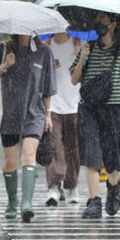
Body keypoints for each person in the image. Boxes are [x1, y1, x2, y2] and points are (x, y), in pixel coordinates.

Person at [0, 35, 56, 223]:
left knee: (28, 154)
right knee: (10, 162)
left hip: (35, 114)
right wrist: (4, 66)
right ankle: (12, 201)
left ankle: (27, 204)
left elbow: (48, 88)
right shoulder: (2, 49)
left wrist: (48, 114)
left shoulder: (44, 52)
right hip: (9, 115)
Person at [70, 12, 120, 219]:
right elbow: (74, 80)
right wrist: (82, 58)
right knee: (91, 153)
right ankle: (94, 201)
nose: (99, 24)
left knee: (113, 155)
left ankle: (113, 187)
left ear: (113, 24)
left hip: (112, 107)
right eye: (97, 20)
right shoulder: (89, 47)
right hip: (88, 108)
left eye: (104, 19)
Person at [44, 33, 81, 206]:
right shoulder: (47, 46)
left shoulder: (78, 43)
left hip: (75, 106)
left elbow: (81, 74)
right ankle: (53, 186)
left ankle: (72, 186)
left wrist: (81, 54)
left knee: (72, 149)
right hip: (53, 106)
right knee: (54, 147)